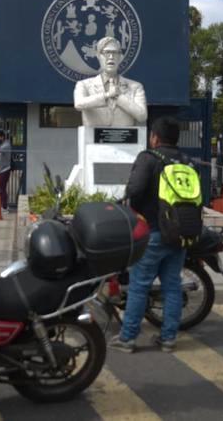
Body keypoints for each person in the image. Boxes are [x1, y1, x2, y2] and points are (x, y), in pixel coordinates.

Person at [109, 116, 186, 354]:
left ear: (154, 138)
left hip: (152, 232)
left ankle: (128, 338)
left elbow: (135, 190)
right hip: (180, 234)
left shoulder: (149, 158)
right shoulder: (186, 162)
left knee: (139, 286)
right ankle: (168, 338)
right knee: (172, 287)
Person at [73, 36, 147, 127]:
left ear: (120, 56)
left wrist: (119, 97)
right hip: (94, 135)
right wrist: (107, 95)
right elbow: (79, 104)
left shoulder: (135, 86)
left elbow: (142, 116)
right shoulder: (84, 84)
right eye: (107, 52)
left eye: (115, 53)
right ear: (98, 55)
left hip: (124, 135)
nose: (111, 57)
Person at [0, 129, 12, 213]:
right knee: (0, 188)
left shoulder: (6, 145)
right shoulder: (0, 144)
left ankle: (4, 207)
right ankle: (3, 205)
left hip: (4, 169)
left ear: (2, 137)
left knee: (2, 189)